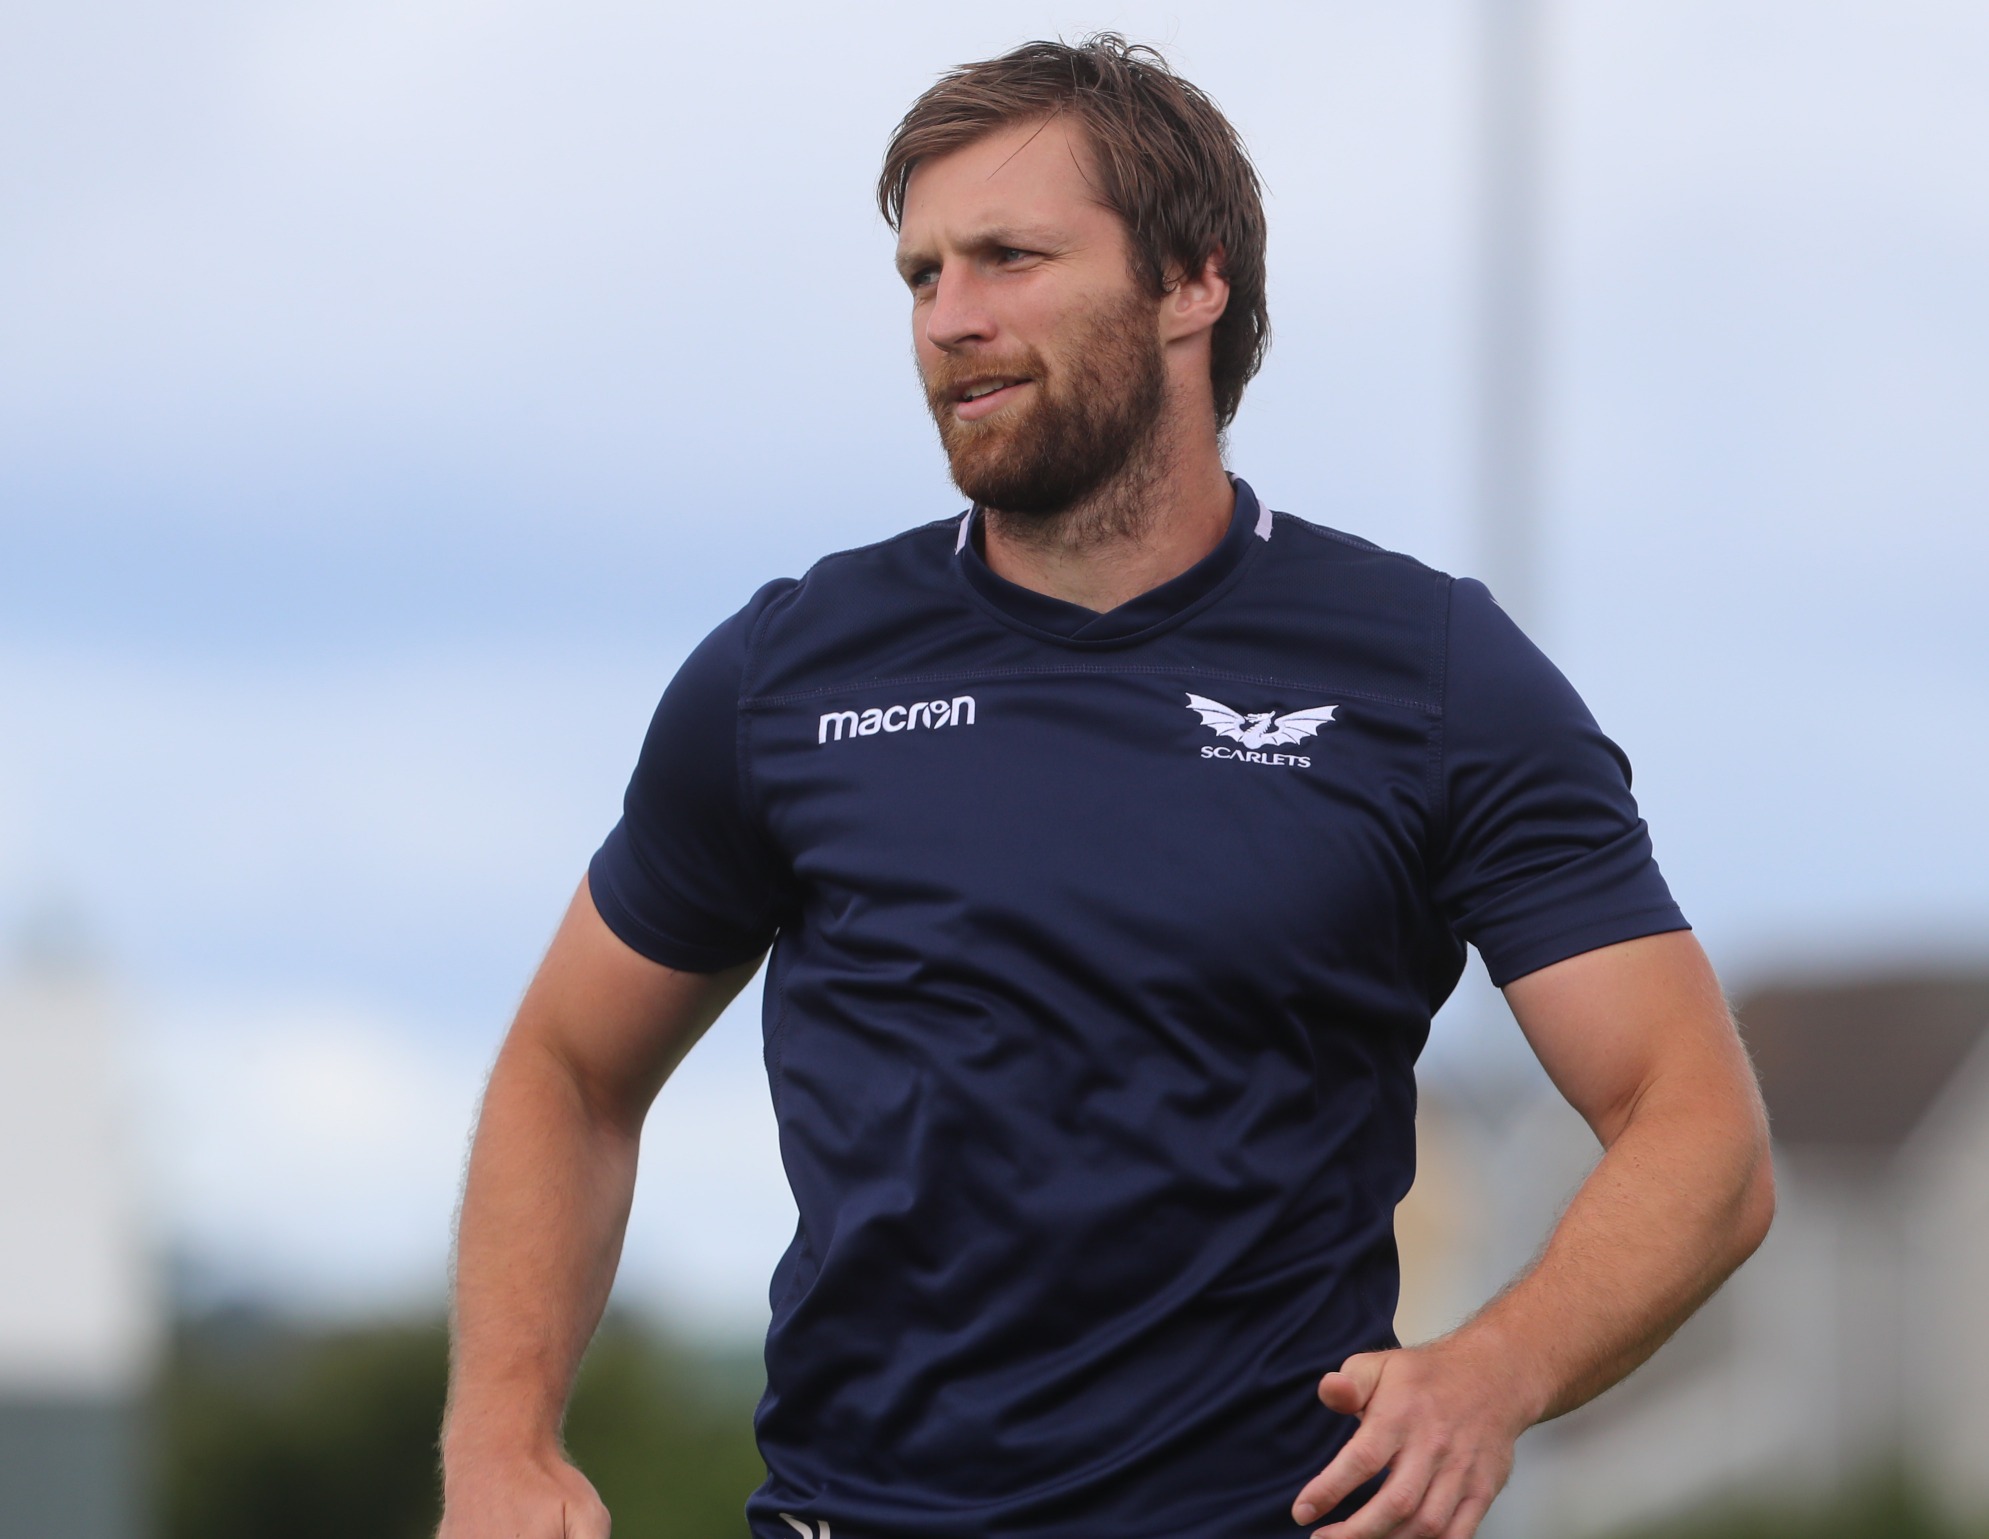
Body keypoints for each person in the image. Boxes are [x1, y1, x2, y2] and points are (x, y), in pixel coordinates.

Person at [438, 34, 1773, 1539]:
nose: (951, 318)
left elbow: (1698, 1130)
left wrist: (1494, 1372)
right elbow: (569, 1069)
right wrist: (501, 1444)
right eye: (922, 275)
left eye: (1009, 258)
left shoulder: (1433, 673)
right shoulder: (785, 675)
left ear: (1191, 282)